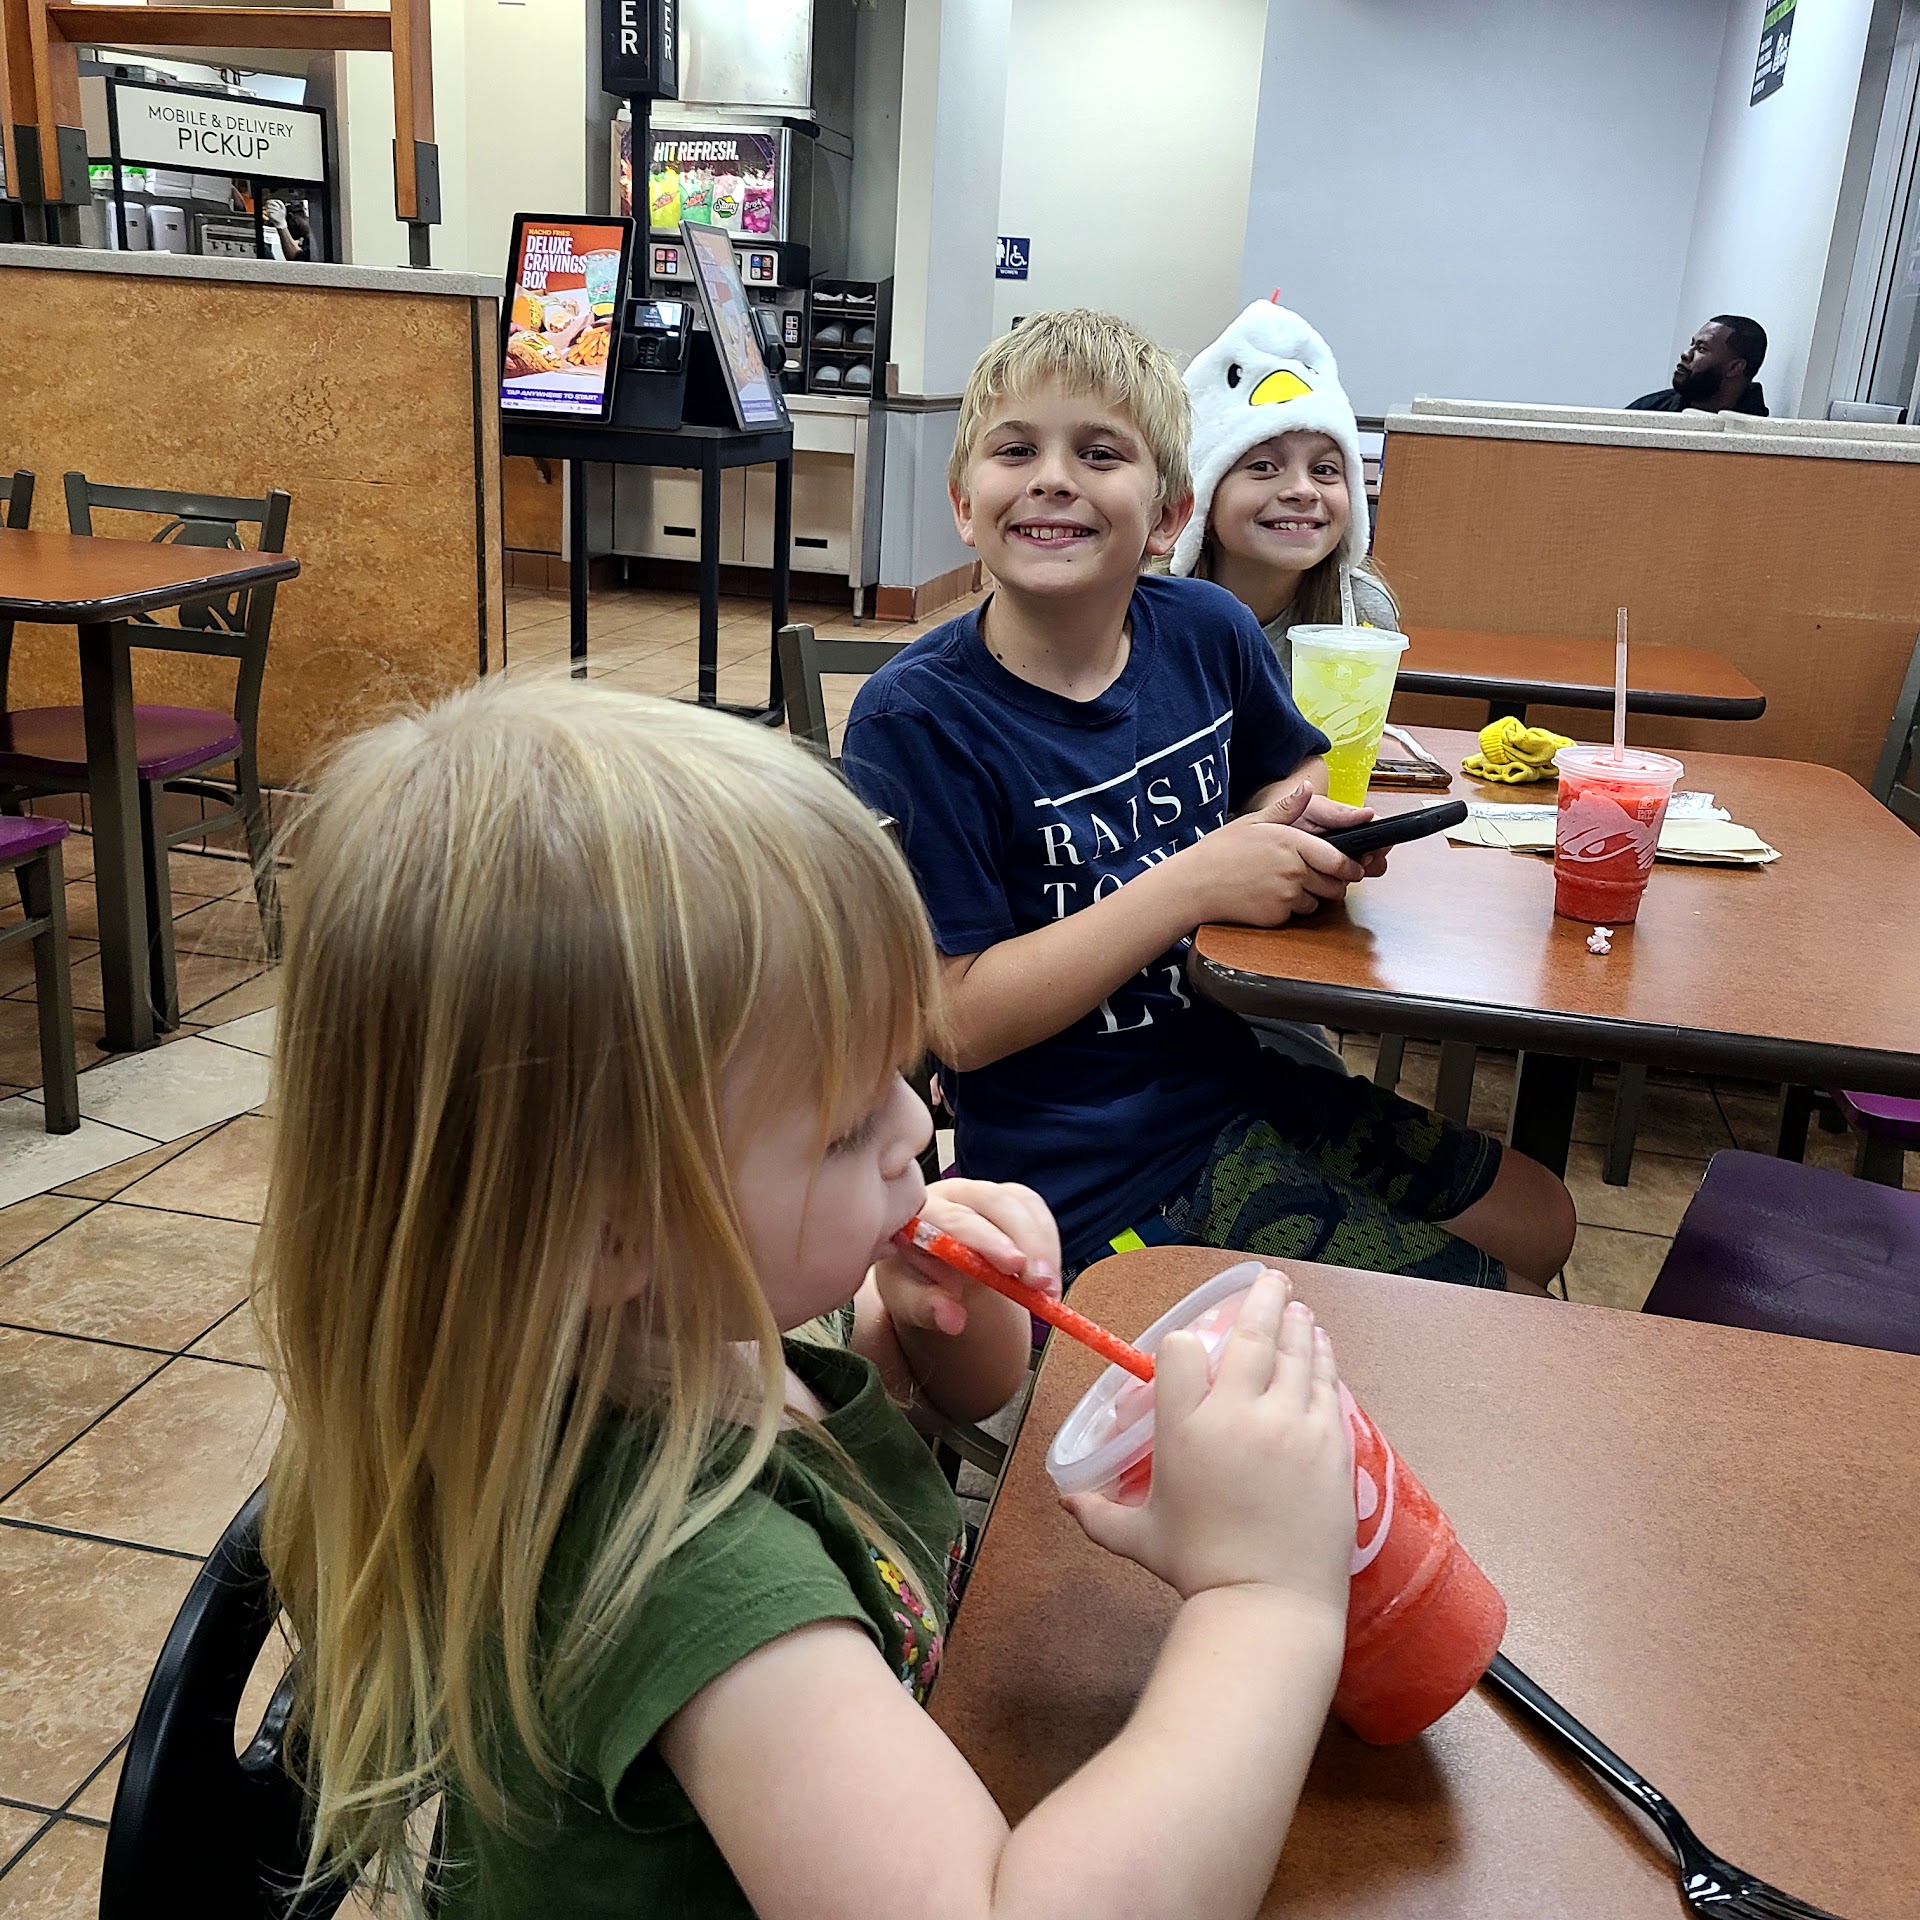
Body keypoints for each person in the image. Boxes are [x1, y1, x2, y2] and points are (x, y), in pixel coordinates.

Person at [258, 676, 1359, 1919]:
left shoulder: (677, 1335)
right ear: (612, 1231)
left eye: (902, 1071)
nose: (916, 1128)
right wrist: (1269, 1599)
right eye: (842, 1127)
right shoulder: (689, 1572)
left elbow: (885, 1443)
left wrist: (929, 1341)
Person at [842, 310, 1576, 1297]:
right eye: (1017, 450)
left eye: (1100, 453)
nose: (1053, 477)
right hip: (1087, 1169)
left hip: (1234, 1078)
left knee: (1543, 1218)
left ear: (1167, 514)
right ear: (965, 503)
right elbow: (960, 1022)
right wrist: (1198, 881)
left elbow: (1294, 765)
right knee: (1492, 1307)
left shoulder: (1206, 629)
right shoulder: (918, 718)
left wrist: (1291, 832)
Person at [1168, 296, 1397, 687]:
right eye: (1262, 466)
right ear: (1202, 497)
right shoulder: (1141, 607)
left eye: (1324, 470)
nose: (1302, 491)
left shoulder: (1362, 615)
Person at [1627, 315, 1769, 416]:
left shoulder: (1760, 436)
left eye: (1701, 349)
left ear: (1734, 368)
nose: (1685, 354)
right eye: (1692, 344)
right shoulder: (1649, 410)